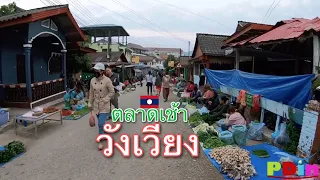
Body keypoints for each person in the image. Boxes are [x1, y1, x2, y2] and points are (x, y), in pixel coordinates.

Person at [88, 63, 115, 150]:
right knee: (102, 122)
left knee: (100, 124)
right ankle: (105, 133)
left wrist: (105, 99)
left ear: (102, 71)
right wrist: (90, 103)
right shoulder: (92, 80)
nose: (95, 72)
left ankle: (100, 141)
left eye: (97, 70)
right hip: (96, 105)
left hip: (104, 105)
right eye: (94, 70)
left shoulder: (107, 80)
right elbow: (91, 93)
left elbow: (112, 92)